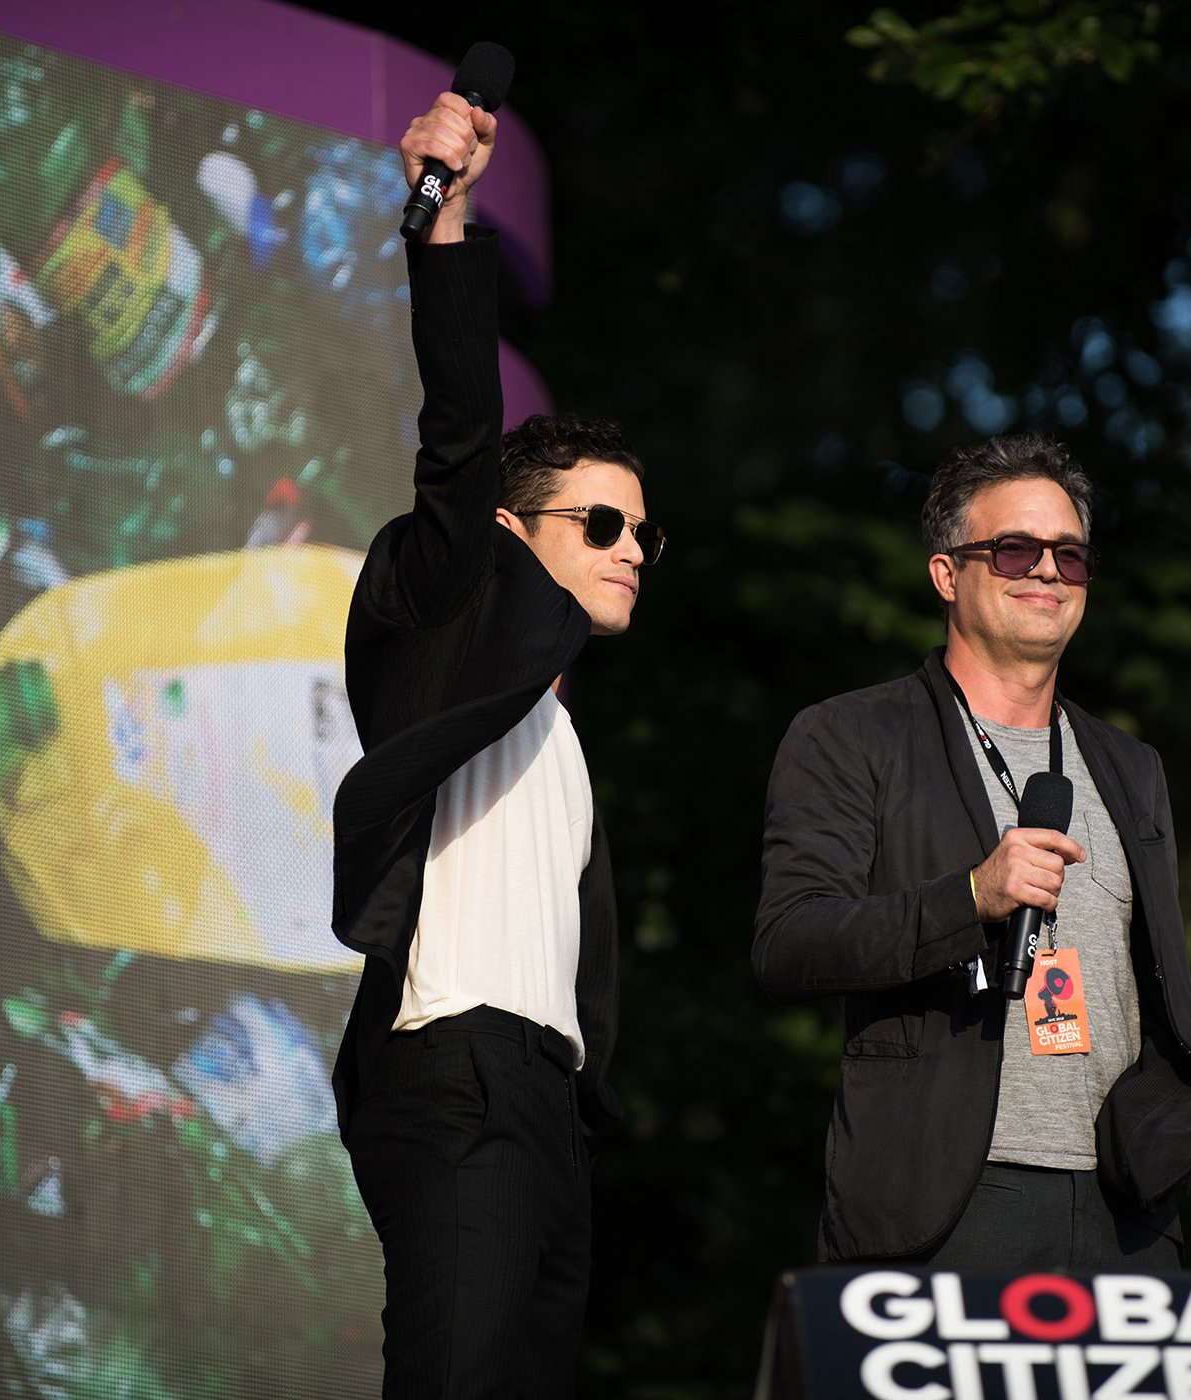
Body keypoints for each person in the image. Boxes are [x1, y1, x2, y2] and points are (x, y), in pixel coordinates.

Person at [330, 92, 663, 1396]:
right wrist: (447, 223)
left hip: (549, 1112)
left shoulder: (561, 727)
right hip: (456, 1082)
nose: (634, 548)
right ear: (518, 538)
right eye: (602, 524)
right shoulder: (445, 626)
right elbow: (461, 436)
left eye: (642, 531)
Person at [753, 432, 1191, 1270]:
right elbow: (790, 940)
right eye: (1015, 550)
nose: (1047, 570)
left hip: (1127, 1206)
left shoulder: (1130, 768)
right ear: (947, 574)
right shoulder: (852, 735)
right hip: (949, 1198)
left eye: (1070, 556)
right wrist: (968, 897)